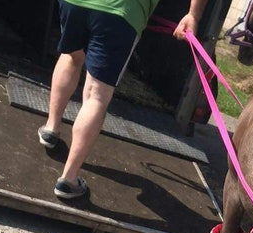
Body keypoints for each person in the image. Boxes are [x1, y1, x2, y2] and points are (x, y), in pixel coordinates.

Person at [39, 0, 209, 199]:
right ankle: (68, 180)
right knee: (97, 94)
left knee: (70, 57)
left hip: (74, 3)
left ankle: (51, 128)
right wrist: (193, 15)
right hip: (120, 12)